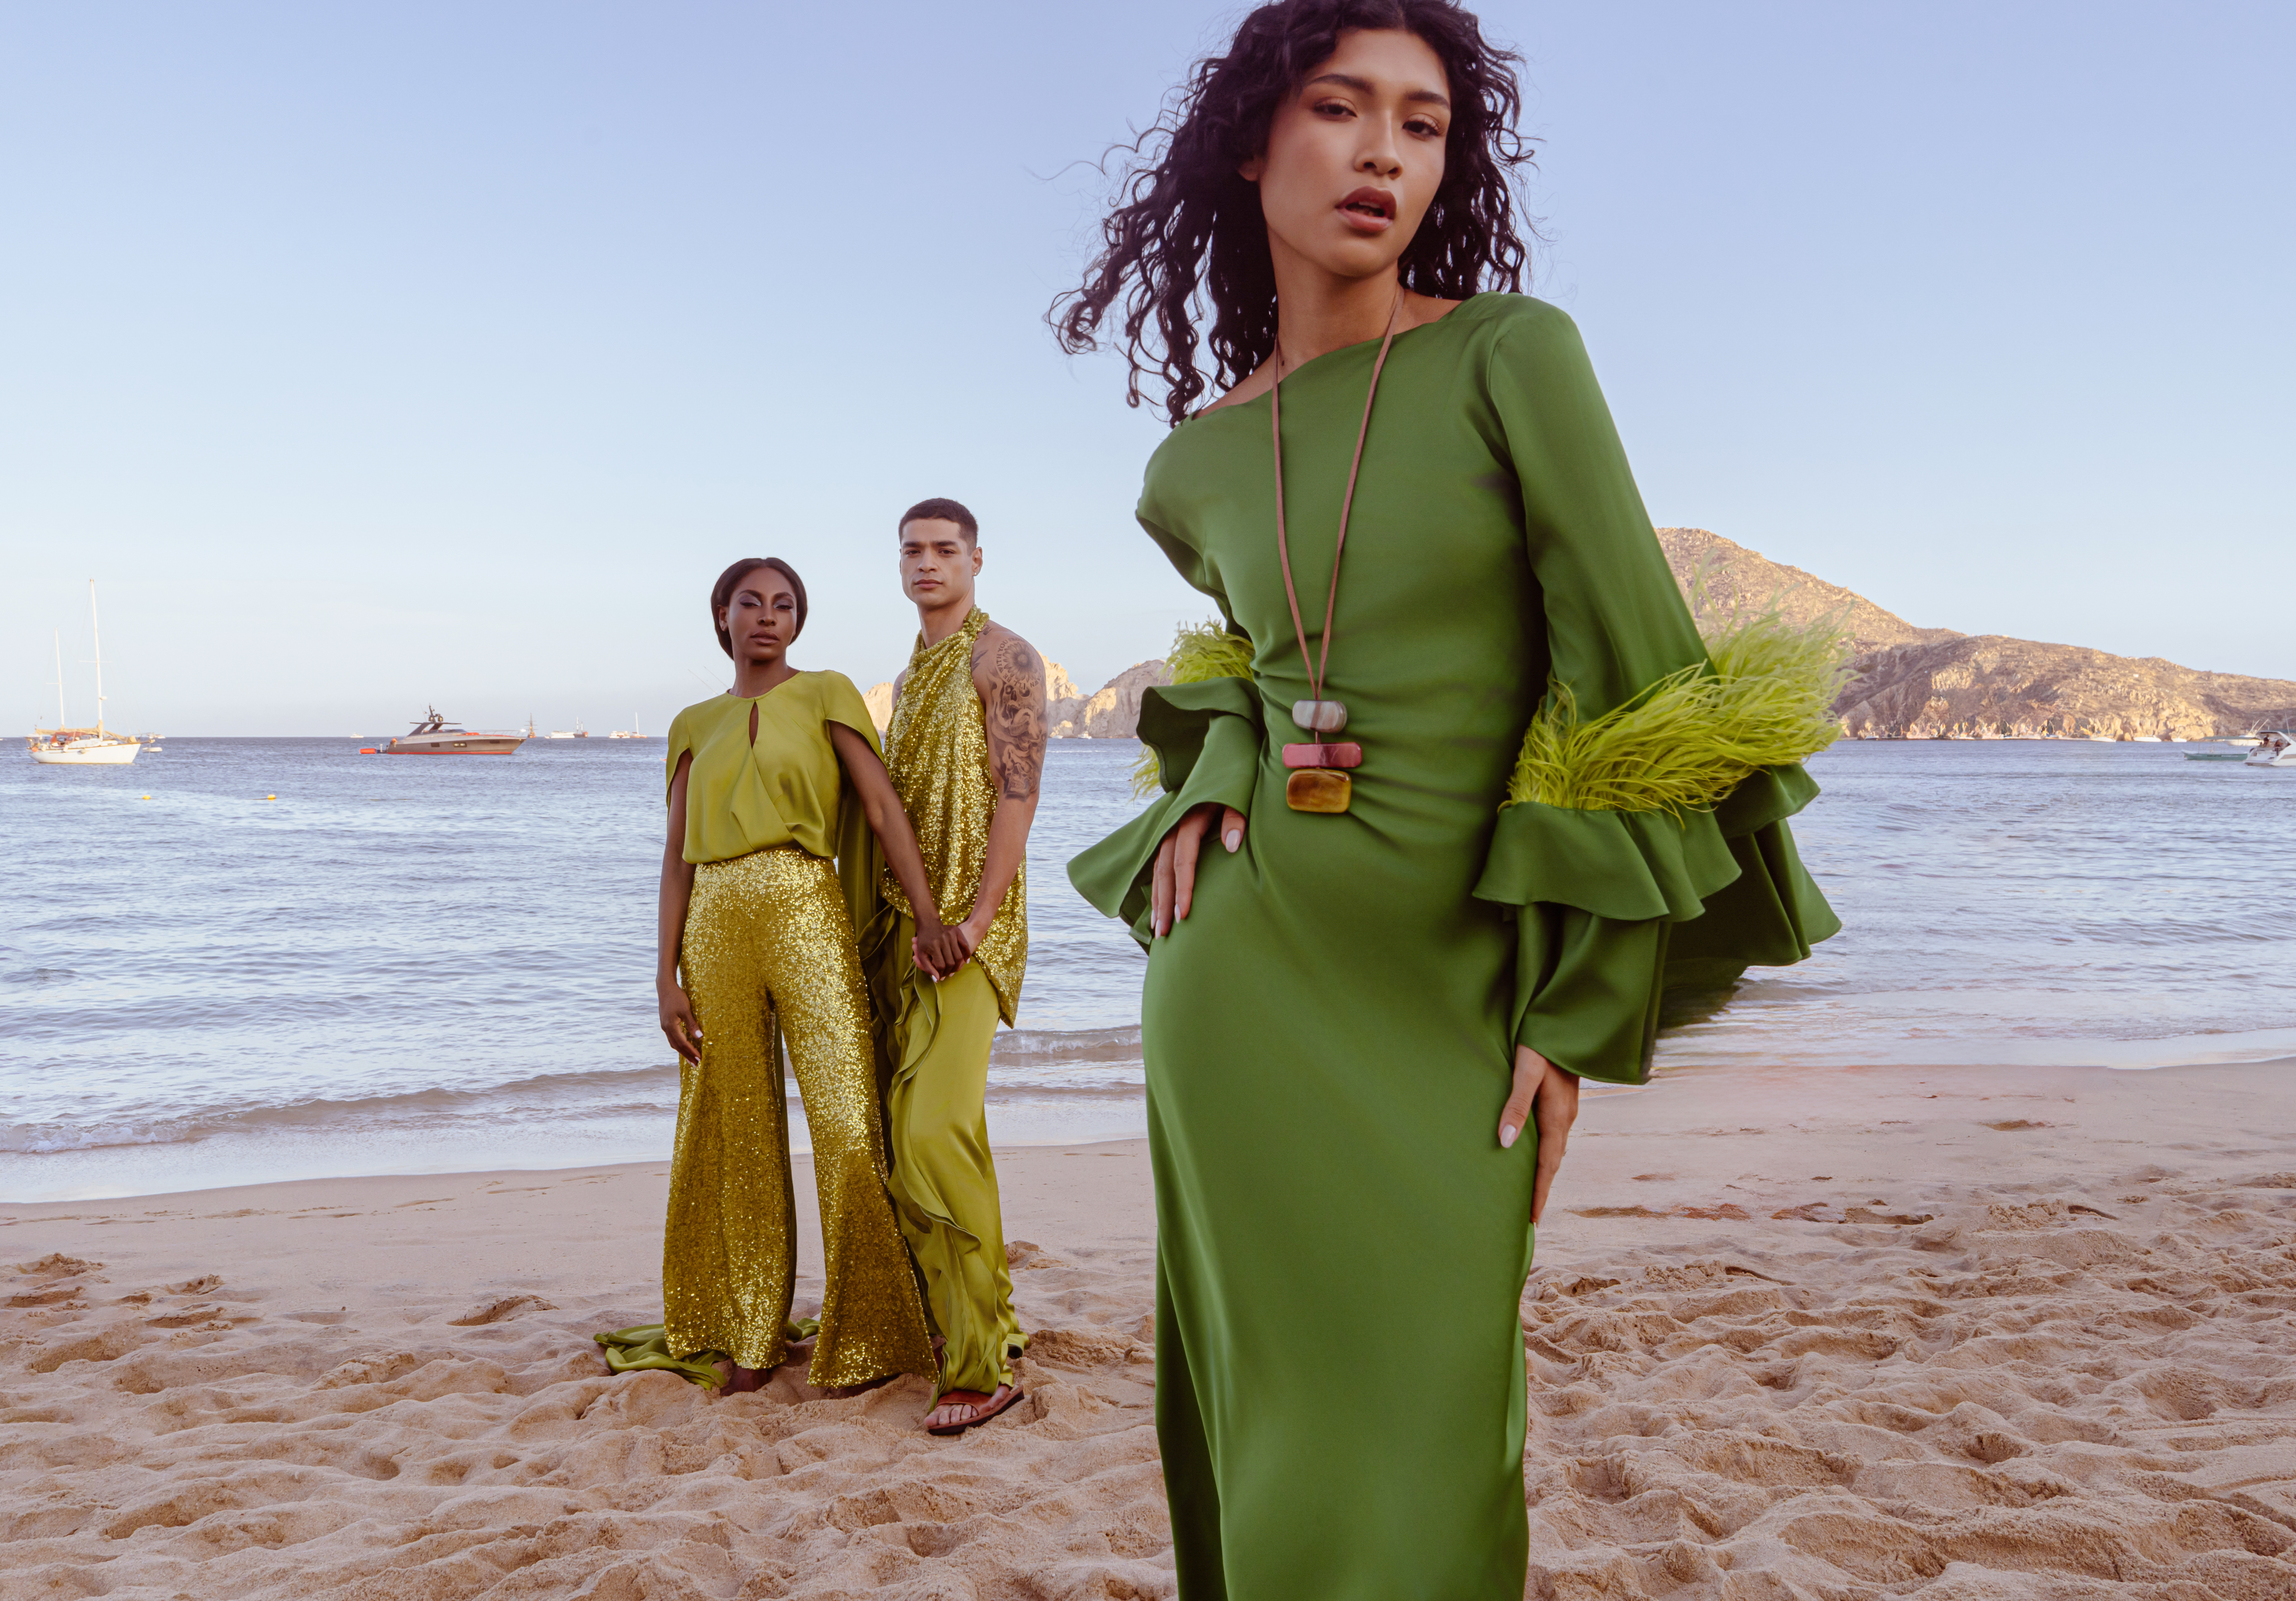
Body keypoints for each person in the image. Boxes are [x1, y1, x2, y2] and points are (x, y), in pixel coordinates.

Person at [1054, 4, 1840, 1595]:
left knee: (1429, 1422)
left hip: (1459, 984)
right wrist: (1211, 770)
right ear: (1253, 143)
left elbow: (1640, 679)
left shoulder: (1509, 354)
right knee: (1275, 1407)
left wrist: (1584, 992)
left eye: (1423, 124)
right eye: (1342, 109)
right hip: (1246, 980)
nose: (1383, 153)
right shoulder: (1189, 469)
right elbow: (1253, 664)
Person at [598, 558, 959, 1396]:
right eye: (750, 603)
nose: (768, 616)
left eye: (785, 604)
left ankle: (869, 1330)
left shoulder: (826, 692)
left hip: (806, 902)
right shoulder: (694, 722)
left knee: (846, 1117)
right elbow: (675, 861)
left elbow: (879, 808)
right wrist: (665, 978)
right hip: (714, 924)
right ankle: (751, 1336)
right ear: (722, 616)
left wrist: (930, 912)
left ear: (799, 621)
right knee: (738, 1133)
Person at [865, 497, 1046, 1436]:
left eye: (944, 549)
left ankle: (987, 1362)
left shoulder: (1001, 655)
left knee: (935, 1131)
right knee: (918, 1138)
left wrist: (976, 919)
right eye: (912, 551)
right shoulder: (911, 671)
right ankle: (978, 1327)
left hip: (973, 931)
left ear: (977, 557)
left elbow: (1019, 793)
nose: (927, 563)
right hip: (911, 928)